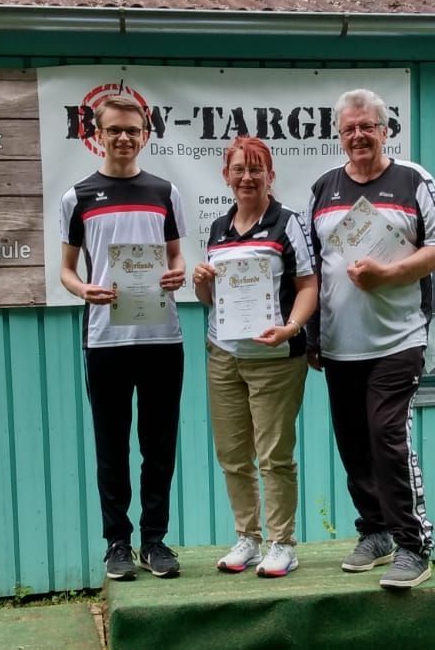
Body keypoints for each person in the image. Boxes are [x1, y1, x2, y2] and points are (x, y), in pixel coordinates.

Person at [308, 88, 435, 590]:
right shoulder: (323, 188)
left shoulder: (413, 179)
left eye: (367, 126)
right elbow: (315, 269)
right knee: (354, 444)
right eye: (349, 128)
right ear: (339, 135)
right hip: (339, 345)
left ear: (385, 130)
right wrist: (313, 336)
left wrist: (387, 275)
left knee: (387, 438)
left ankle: (413, 544)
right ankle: (375, 532)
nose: (358, 136)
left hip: (398, 340)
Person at [59, 91, 187, 581]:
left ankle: (155, 540)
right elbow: (66, 270)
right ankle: (117, 542)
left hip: (161, 338)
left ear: (145, 135)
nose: (124, 138)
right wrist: (83, 289)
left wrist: (178, 273)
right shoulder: (78, 197)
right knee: (111, 446)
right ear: (97, 134)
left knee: (160, 445)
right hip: (106, 340)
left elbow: (176, 257)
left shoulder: (165, 192)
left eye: (133, 130)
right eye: (114, 130)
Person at [192, 137, 318, 577]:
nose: (247, 177)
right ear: (226, 175)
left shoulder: (288, 223)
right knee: (232, 453)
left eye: (256, 169)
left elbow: (308, 286)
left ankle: (282, 543)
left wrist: (292, 326)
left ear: (270, 175)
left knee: (274, 456)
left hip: (276, 358)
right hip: (224, 355)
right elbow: (210, 300)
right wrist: (202, 282)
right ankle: (247, 537)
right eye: (239, 169)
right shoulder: (217, 228)